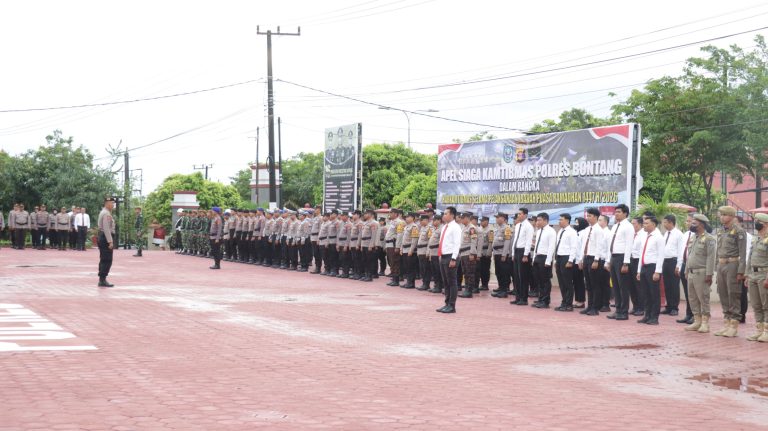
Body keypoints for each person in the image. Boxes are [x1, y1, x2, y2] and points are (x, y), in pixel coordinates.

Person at [714, 206, 747, 338]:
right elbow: (718, 250)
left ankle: (734, 325)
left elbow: (743, 253)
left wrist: (741, 271)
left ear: (732, 216)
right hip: (722, 264)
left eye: (724, 215)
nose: (722, 217)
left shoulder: (739, 231)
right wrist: (717, 267)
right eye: (721, 215)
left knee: (733, 293)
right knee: (723, 294)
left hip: (733, 264)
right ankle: (727, 323)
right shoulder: (721, 231)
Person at [683, 214, 715, 334]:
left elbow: (711, 257)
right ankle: (697, 321)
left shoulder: (709, 239)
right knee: (692, 298)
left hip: (701, 273)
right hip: (691, 272)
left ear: (701, 224)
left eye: (694, 223)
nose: (692, 225)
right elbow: (689, 256)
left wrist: (709, 274)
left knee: (703, 298)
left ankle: (705, 323)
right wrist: (686, 270)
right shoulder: (693, 238)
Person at [605, 204, 635, 320]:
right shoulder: (615, 226)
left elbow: (629, 245)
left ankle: (624, 311)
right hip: (614, 257)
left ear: (625, 214)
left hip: (622, 258)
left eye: (618, 212)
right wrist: (608, 261)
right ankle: (617, 309)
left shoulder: (628, 227)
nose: (616, 213)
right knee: (616, 286)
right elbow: (610, 244)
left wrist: (626, 263)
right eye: (615, 211)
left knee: (623, 286)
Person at [637, 216, 665, 325]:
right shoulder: (645, 236)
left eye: (646, 223)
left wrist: (657, 271)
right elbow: (641, 253)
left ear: (653, 224)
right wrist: (639, 270)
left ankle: (654, 317)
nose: (644, 225)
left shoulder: (658, 237)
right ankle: (647, 315)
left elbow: (660, 255)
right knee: (645, 293)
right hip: (644, 267)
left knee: (654, 294)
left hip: (653, 267)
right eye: (644, 223)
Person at [579, 208, 608, 316]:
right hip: (587, 257)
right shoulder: (587, 229)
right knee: (589, 284)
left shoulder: (598, 230)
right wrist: (581, 259)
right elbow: (583, 245)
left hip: (594, 259)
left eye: (590, 216)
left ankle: (595, 308)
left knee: (595, 284)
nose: (587, 217)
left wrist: (596, 260)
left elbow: (599, 246)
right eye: (587, 215)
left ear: (595, 217)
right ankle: (589, 306)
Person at [746, 212, 768, 342]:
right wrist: (747, 275)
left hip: (764, 274)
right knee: (756, 304)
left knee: (766, 304)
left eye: (758, 221)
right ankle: (759, 329)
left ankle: (766, 330)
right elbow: (750, 258)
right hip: (753, 275)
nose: (756, 223)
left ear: (765, 224)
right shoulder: (756, 239)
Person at [437, 206, 462, 314]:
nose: (444, 215)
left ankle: (452, 305)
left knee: (452, 282)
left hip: (451, 256)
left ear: (452, 215)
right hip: (443, 256)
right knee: (446, 282)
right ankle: (447, 303)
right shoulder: (444, 227)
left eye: (446, 213)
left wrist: (453, 258)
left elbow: (457, 244)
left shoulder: (455, 227)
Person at [554, 213, 579, 312]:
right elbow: (558, 247)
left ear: (567, 221)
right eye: (559, 219)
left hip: (567, 258)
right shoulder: (560, 231)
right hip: (559, 257)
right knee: (561, 282)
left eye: (561, 219)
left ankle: (569, 304)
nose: (559, 221)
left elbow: (574, 247)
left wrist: (570, 260)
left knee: (567, 282)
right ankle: (564, 302)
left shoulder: (572, 232)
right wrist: (556, 260)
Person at [530, 213, 555, 308]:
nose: (537, 222)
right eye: (537, 220)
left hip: (545, 258)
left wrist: (548, 261)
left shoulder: (551, 231)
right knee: (538, 280)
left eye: (539, 220)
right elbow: (536, 245)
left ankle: (545, 301)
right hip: (538, 257)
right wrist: (534, 258)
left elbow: (551, 247)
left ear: (545, 220)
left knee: (545, 281)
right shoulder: (539, 231)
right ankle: (540, 298)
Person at [509, 208, 534, 301]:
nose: (518, 216)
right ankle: (518, 297)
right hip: (516, 251)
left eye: (520, 214)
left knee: (523, 276)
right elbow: (515, 240)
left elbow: (528, 241)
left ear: (525, 215)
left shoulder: (528, 226)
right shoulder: (518, 225)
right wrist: (512, 253)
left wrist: (525, 255)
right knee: (516, 275)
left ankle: (523, 298)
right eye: (518, 214)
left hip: (523, 252)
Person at [661, 214, 683, 316]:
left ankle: (674, 307)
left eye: (665, 222)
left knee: (674, 285)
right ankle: (668, 306)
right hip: (665, 261)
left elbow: (680, 251)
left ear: (670, 222)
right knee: (667, 285)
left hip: (673, 261)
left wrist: (678, 265)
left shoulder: (678, 234)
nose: (664, 224)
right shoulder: (666, 234)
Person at [675, 214, 696, 325]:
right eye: (687, 221)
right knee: (687, 292)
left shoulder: (698, 235)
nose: (688, 223)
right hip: (683, 264)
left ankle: (695, 315)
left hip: (692, 266)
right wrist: (679, 265)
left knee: (693, 293)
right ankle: (688, 314)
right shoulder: (685, 234)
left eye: (690, 221)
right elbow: (681, 251)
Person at [491, 213, 512, 299]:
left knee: (503, 273)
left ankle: (504, 291)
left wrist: (504, 254)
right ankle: (500, 288)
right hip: (496, 253)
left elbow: (507, 242)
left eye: (498, 217)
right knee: (498, 272)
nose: (496, 219)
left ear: (503, 218)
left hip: (502, 253)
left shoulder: (507, 228)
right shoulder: (497, 228)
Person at [457, 212, 478, 298]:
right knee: (465, 272)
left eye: (462, 218)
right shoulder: (464, 228)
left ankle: (469, 291)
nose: (461, 220)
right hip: (463, 253)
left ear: (466, 218)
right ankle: (466, 289)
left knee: (470, 272)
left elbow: (474, 241)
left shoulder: (472, 228)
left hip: (469, 252)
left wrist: (472, 253)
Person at [629, 216, 646, 316]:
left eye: (634, 223)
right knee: (631, 285)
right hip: (630, 260)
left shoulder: (643, 234)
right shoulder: (631, 234)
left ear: (640, 224)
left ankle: (641, 307)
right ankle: (635, 306)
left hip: (638, 261)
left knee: (639, 285)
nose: (632, 225)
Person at [97, 197, 116, 288]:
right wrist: (110, 241)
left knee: (104, 258)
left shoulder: (105, 212)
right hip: (105, 238)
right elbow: (106, 228)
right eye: (112, 203)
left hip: (103, 237)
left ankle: (102, 279)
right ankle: (102, 279)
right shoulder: (106, 213)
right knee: (107, 259)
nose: (113, 205)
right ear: (107, 203)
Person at [400, 212, 420, 289]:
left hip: (410, 249)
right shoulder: (406, 227)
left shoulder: (414, 227)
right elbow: (403, 239)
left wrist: (411, 250)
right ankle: (408, 281)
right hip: (405, 248)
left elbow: (414, 240)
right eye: (406, 217)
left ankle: (411, 283)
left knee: (411, 267)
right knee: (407, 267)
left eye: (408, 217)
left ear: (412, 218)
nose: (406, 218)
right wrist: (401, 248)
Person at [572, 217, 589, 309]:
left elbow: (582, 248)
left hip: (580, 261)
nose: (576, 224)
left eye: (577, 223)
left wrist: (580, 260)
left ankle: (581, 301)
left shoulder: (584, 233)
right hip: (574, 260)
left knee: (580, 282)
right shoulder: (576, 233)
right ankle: (577, 300)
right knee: (575, 281)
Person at [385, 210, 404, 286]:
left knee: (395, 262)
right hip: (389, 244)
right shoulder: (392, 222)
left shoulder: (399, 222)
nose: (390, 214)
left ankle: (396, 280)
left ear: (395, 214)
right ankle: (393, 278)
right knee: (391, 262)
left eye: (391, 213)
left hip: (394, 244)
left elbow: (400, 235)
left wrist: (397, 246)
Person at [416, 214, 432, 290]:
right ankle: (424, 283)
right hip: (420, 251)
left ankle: (426, 284)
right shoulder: (422, 228)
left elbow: (429, 241)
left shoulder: (429, 228)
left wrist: (428, 252)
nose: (420, 222)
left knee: (426, 268)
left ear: (426, 220)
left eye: (421, 220)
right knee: (422, 268)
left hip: (425, 250)